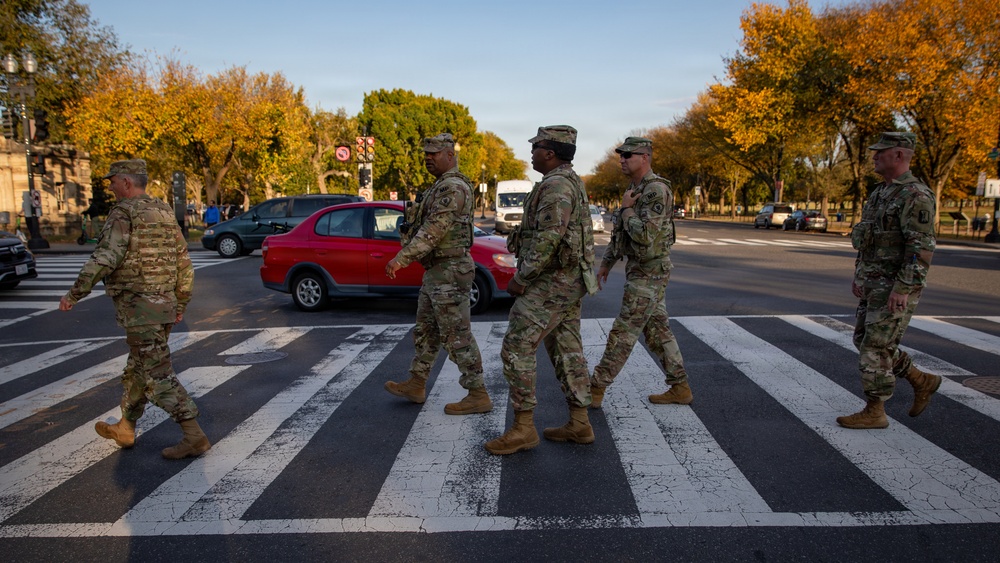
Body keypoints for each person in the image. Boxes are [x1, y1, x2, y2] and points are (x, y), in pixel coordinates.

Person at [59, 159, 210, 459]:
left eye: (112, 181)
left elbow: (106, 257)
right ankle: (126, 427)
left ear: (126, 182)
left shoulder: (123, 213)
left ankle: (194, 435)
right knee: (137, 370)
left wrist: (75, 293)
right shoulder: (165, 212)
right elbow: (184, 262)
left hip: (140, 308)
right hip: (163, 305)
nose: (110, 186)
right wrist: (180, 301)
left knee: (156, 374)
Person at [485, 125, 598, 455]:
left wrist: (523, 276)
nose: (531, 152)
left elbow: (550, 236)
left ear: (550, 152)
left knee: (517, 346)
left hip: (552, 281)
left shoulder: (558, 185)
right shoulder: (566, 180)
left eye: (536, 148)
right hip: (567, 281)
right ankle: (579, 422)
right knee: (566, 348)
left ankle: (523, 428)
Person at [838, 132, 941, 429]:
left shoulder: (916, 196)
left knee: (876, 347)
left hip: (894, 287)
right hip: (873, 284)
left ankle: (876, 410)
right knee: (864, 340)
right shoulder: (880, 193)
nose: (874, 156)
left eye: (880, 152)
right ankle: (922, 381)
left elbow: (920, 249)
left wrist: (903, 288)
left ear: (899, 155)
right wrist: (859, 275)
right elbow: (868, 239)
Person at [384, 133, 491, 415]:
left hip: (450, 270)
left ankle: (478, 392)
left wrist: (402, 258)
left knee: (457, 335)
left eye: (435, 153)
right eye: (426, 154)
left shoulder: (452, 188)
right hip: (437, 271)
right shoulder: (438, 186)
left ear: (450, 156)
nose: (428, 158)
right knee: (427, 331)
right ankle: (416, 383)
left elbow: (434, 231)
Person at [589, 137, 692, 409]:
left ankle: (596, 388)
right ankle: (680, 386)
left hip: (650, 272)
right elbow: (621, 236)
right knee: (658, 331)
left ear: (645, 157)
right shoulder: (635, 188)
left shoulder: (655, 190)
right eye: (621, 155)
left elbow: (645, 236)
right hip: (641, 270)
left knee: (624, 331)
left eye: (628, 155)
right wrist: (606, 262)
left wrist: (626, 210)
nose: (622, 159)